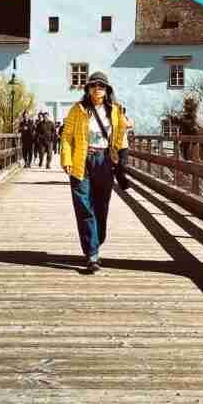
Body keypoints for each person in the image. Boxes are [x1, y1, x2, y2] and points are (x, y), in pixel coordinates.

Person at [59, 71, 134, 273]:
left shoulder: (116, 111)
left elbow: (121, 137)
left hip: (104, 161)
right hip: (81, 160)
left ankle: (96, 239)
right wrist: (66, 158)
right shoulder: (78, 110)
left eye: (101, 86)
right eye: (93, 85)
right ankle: (92, 255)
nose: (97, 89)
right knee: (84, 206)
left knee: (101, 207)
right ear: (88, 89)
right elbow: (66, 136)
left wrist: (121, 161)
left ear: (107, 89)